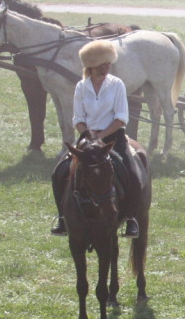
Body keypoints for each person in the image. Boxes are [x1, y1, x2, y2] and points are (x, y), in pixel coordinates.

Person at [50, 40, 140, 240]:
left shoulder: (117, 85)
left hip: (113, 137)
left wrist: (100, 137)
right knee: (59, 172)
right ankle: (62, 218)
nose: (106, 67)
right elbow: (78, 119)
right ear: (91, 66)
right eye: (102, 64)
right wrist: (90, 137)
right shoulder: (82, 87)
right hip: (87, 138)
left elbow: (121, 118)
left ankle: (131, 218)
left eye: (108, 63)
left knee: (132, 173)